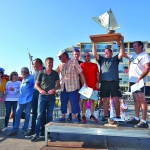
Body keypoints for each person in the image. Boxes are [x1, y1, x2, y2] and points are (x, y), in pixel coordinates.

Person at [92, 36, 124, 123]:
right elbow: (94, 54)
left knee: (116, 99)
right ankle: (105, 116)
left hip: (114, 82)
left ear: (111, 53)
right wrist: (93, 43)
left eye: (107, 52)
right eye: (105, 52)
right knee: (105, 100)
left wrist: (121, 42)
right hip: (104, 83)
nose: (106, 53)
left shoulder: (115, 59)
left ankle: (117, 116)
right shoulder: (101, 59)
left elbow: (121, 53)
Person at [31, 57, 60, 142]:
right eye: (49, 62)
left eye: (52, 62)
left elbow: (58, 85)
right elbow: (36, 85)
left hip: (51, 97)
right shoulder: (41, 73)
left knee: (50, 116)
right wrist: (40, 90)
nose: (51, 64)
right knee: (39, 115)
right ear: (46, 63)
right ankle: (37, 134)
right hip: (42, 97)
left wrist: (54, 89)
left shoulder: (55, 73)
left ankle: (49, 134)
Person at [123, 41, 150, 128]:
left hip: (140, 81)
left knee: (142, 99)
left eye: (135, 46)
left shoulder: (145, 55)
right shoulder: (133, 56)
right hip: (132, 81)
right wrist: (120, 42)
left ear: (140, 46)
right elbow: (123, 53)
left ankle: (144, 121)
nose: (133, 47)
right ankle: (136, 118)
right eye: (133, 46)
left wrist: (140, 77)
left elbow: (147, 68)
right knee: (135, 99)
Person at [56, 49, 86, 123]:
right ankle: (63, 116)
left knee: (74, 102)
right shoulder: (60, 64)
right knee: (63, 101)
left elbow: (81, 72)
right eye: (59, 57)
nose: (59, 59)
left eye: (60, 57)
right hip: (64, 87)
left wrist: (85, 83)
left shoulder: (73, 61)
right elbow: (55, 73)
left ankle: (74, 117)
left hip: (74, 86)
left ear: (64, 55)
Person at [7, 67, 34, 136]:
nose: (21, 74)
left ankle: (25, 129)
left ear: (24, 72)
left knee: (27, 116)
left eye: (21, 73)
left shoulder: (31, 78)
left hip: (28, 100)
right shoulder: (23, 79)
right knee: (17, 115)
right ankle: (14, 130)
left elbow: (36, 86)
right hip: (21, 100)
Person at [25, 58, 46, 138]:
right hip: (35, 93)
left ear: (38, 64)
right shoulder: (35, 72)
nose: (33, 65)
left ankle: (42, 130)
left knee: (42, 112)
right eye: (33, 64)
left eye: (34, 64)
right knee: (34, 112)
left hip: (42, 93)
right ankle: (33, 129)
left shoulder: (45, 71)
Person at [80, 52, 99, 123]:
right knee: (84, 101)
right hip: (86, 87)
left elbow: (97, 75)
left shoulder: (95, 65)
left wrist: (97, 82)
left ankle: (92, 115)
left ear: (90, 56)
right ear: (84, 58)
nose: (86, 57)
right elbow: (81, 76)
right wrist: (83, 84)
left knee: (92, 101)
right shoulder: (82, 65)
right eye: (85, 56)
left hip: (94, 86)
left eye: (88, 56)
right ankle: (83, 115)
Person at [67, 48, 83, 121]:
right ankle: (70, 114)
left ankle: (79, 114)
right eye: (75, 54)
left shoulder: (82, 63)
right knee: (70, 100)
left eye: (78, 54)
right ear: (73, 55)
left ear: (79, 55)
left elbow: (83, 74)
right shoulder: (69, 62)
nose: (76, 55)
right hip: (70, 85)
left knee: (79, 100)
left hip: (79, 84)